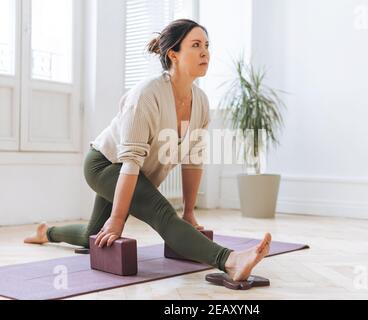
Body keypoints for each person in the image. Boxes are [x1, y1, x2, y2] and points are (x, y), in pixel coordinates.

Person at [24, 19, 271, 281]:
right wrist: (118, 220)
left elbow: (193, 160)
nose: (205, 53)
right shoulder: (146, 95)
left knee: (92, 236)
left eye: (207, 46)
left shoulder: (201, 102)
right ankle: (230, 261)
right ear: (173, 54)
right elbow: (129, 163)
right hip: (105, 164)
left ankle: (46, 233)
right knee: (162, 213)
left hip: (130, 170)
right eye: (196, 45)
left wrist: (189, 211)